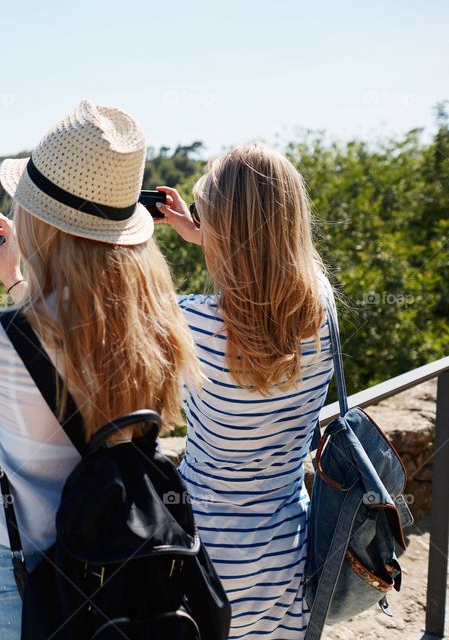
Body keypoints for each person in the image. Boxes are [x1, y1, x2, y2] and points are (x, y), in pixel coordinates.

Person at [0, 100, 201, 639]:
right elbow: (63, 345)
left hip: (27, 576)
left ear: (40, 221)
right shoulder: (155, 317)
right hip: (128, 559)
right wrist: (15, 278)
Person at [155, 143, 334, 639]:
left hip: (205, 561)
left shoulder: (189, 319)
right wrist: (215, 234)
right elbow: (277, 263)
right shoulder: (322, 311)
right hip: (289, 553)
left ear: (221, 230)